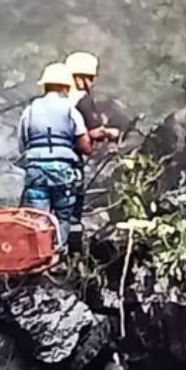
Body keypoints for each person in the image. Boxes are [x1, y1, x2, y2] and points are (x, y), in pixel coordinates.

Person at [17, 62, 93, 252]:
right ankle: (57, 256)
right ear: (64, 86)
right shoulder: (70, 110)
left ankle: (37, 256)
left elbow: (22, 143)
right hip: (63, 173)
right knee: (63, 217)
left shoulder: (30, 110)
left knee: (37, 217)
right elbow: (85, 146)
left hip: (36, 172)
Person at [64, 51, 120, 251]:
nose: (92, 82)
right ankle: (71, 253)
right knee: (71, 212)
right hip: (69, 162)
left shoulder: (51, 99)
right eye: (90, 77)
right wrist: (111, 133)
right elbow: (93, 132)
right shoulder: (81, 100)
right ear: (81, 77)